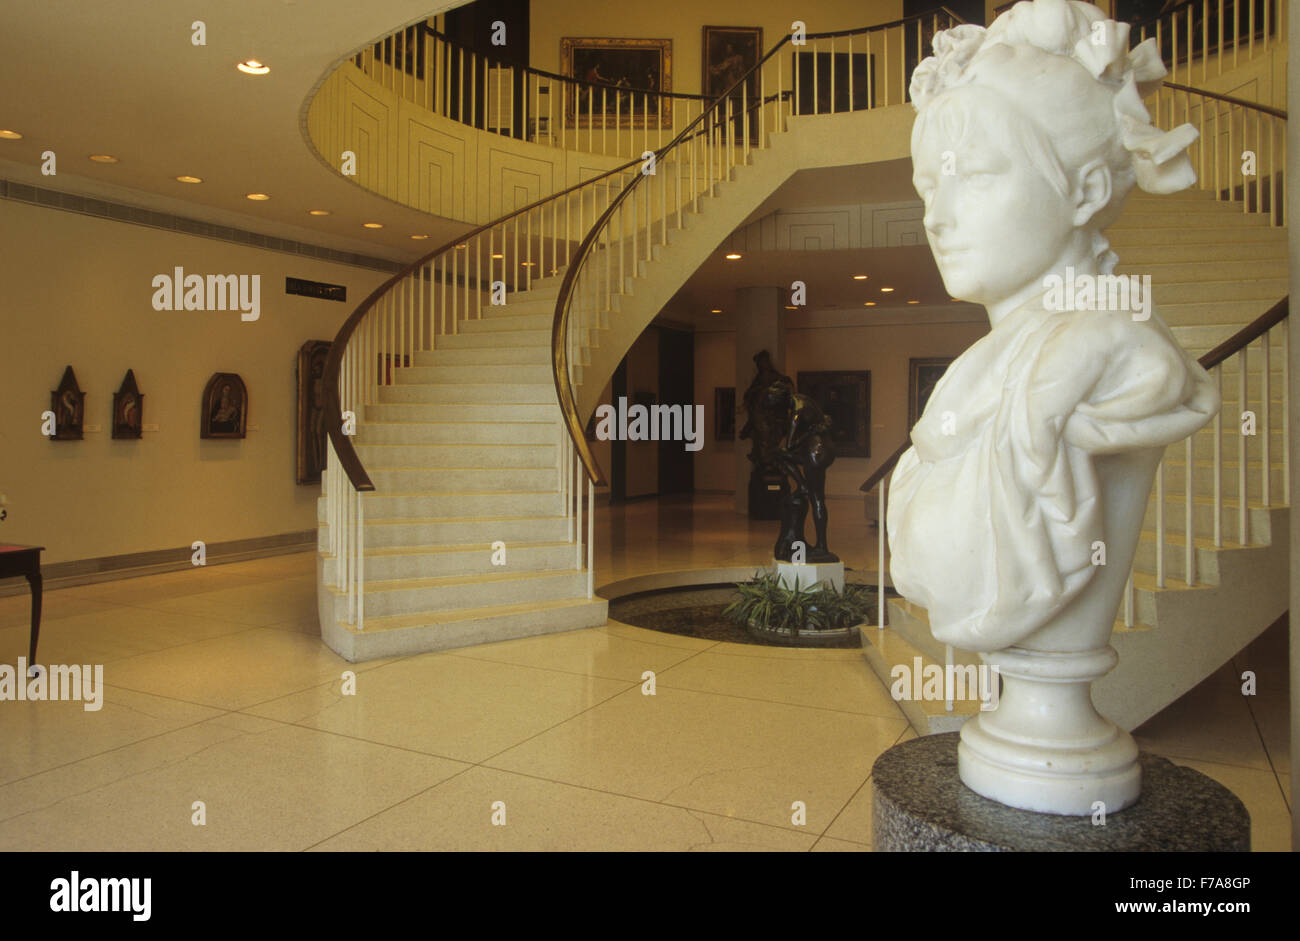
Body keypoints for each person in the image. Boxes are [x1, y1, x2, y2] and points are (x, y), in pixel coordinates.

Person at [887, 0, 1218, 653]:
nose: (937, 218)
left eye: (973, 178)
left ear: (1088, 191)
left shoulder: (1110, 348)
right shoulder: (996, 361)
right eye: (930, 190)